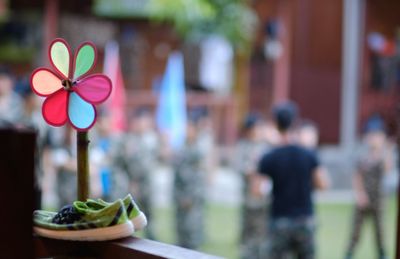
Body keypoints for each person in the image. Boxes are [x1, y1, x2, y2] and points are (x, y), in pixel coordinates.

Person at [257, 102, 329, 259]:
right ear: (296, 122)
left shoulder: (268, 157)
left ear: (275, 123)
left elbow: (257, 190)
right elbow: (323, 184)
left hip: (279, 221)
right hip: (304, 220)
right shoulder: (309, 154)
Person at [345, 115, 393, 259]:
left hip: (378, 198)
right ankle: (348, 254)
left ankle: (382, 254)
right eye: (372, 135)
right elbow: (357, 176)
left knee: (380, 232)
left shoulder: (384, 154)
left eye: (377, 135)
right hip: (363, 197)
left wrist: (386, 150)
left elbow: (387, 169)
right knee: (356, 231)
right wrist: (359, 194)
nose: (374, 138)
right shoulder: (362, 154)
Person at [111, 108, 158, 239]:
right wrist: (132, 181)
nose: (142, 125)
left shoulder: (151, 139)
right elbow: (124, 163)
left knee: (149, 213)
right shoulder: (128, 140)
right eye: (140, 122)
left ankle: (152, 238)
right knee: (132, 213)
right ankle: (130, 237)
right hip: (134, 182)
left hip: (147, 183)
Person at [235, 113, 271, 259]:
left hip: (265, 197)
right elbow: (241, 168)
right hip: (249, 196)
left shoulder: (266, 146)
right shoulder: (243, 146)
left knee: (263, 231)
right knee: (249, 230)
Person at [173, 111, 207, 249]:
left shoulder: (198, 151)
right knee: (181, 234)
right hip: (180, 198)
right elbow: (176, 177)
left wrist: (190, 198)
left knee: (193, 233)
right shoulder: (181, 149)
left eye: (190, 128)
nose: (187, 131)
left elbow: (199, 179)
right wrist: (179, 197)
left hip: (193, 199)